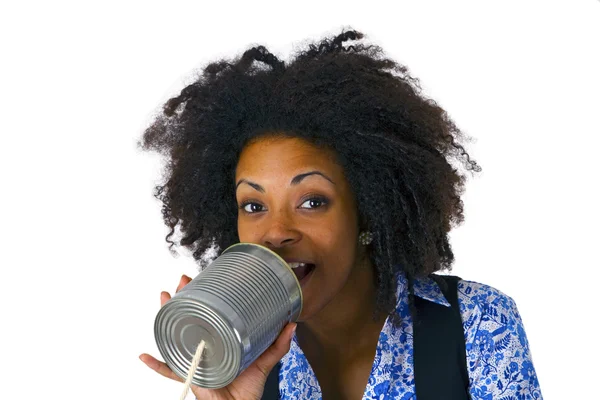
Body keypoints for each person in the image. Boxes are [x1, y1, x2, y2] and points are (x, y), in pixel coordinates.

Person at [138, 29, 542, 399]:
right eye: (254, 205)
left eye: (312, 201)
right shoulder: (243, 363)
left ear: (367, 210)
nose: (276, 231)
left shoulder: (477, 324)